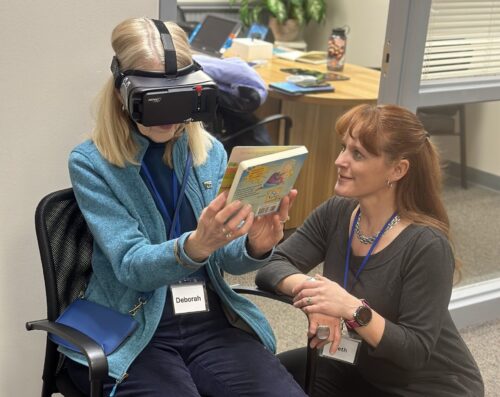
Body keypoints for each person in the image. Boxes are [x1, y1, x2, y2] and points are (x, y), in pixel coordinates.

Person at [64, 17, 306, 397]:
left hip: (210, 319)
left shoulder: (207, 152)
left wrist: (254, 245)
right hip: (137, 325)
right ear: (122, 91)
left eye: (180, 97)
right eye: (156, 101)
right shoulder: (92, 164)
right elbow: (130, 265)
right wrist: (195, 245)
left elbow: (227, 260)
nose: (171, 117)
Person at [256, 104, 484, 396]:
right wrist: (319, 296)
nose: (340, 161)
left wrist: (351, 309)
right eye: (343, 148)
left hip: (426, 385)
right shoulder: (338, 212)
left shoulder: (427, 245)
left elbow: (413, 352)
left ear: (398, 169)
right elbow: (272, 266)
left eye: (358, 154)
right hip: (357, 364)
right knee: (259, 378)